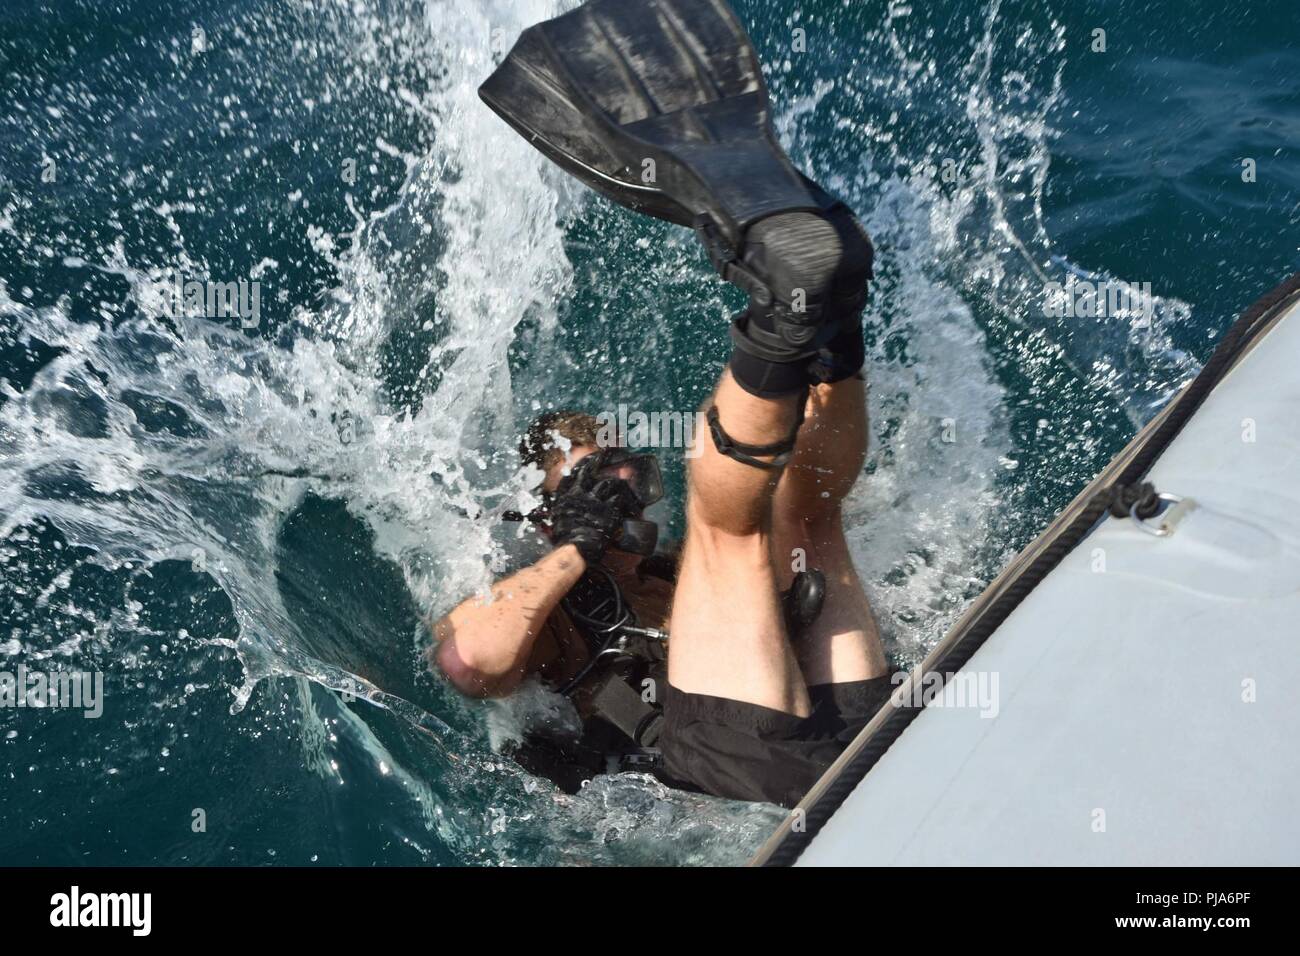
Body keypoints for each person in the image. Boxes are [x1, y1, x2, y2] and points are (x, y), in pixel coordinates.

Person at [429, 0, 895, 808]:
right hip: (720, 772)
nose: (620, 492)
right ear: (541, 512)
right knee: (735, 527)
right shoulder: (542, 604)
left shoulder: (675, 574)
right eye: (586, 481)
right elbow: (472, 664)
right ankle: (784, 319)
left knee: (807, 517)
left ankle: (827, 320)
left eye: (620, 471)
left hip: (853, 728)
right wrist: (576, 546)